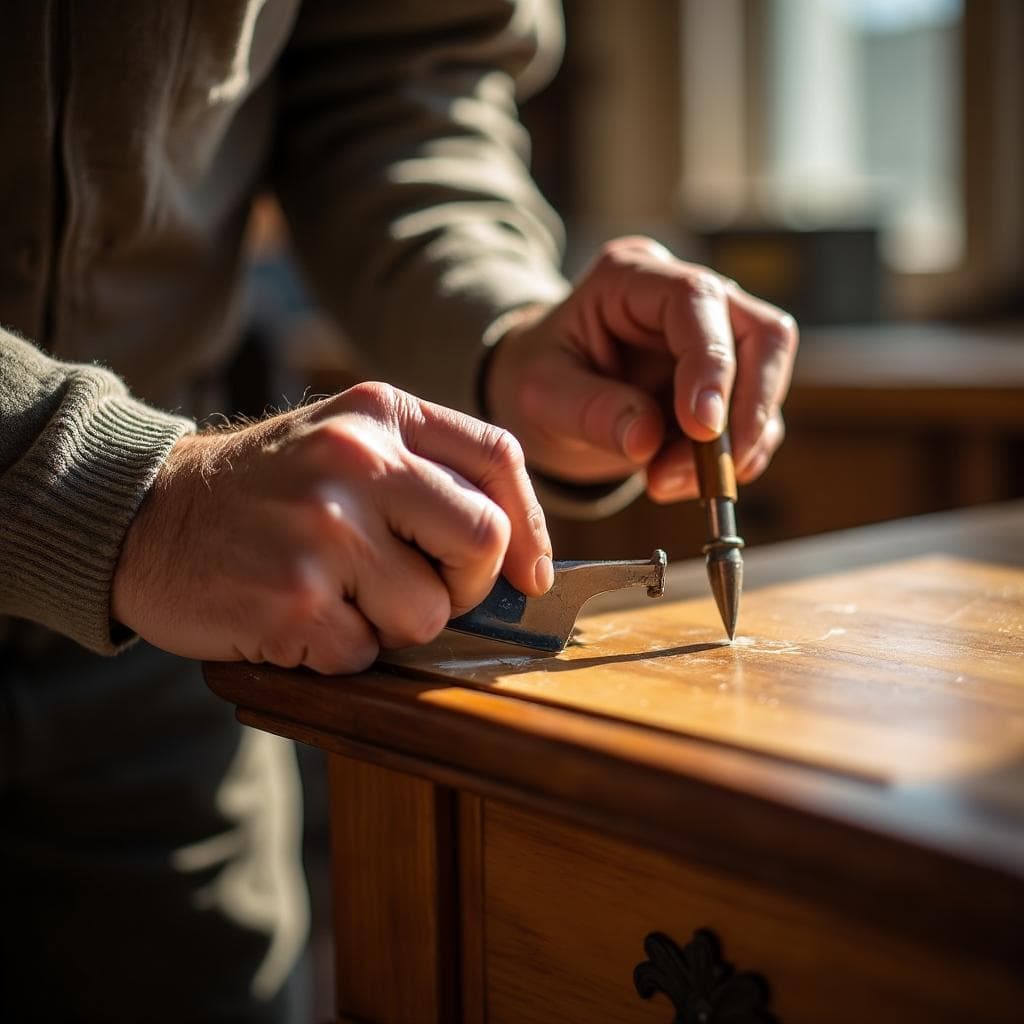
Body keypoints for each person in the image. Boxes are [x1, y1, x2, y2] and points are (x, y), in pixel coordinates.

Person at [0, 2, 797, 1020]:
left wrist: (500, 325)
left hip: (170, 681)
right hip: (174, 561)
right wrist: (108, 490)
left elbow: (395, 81)